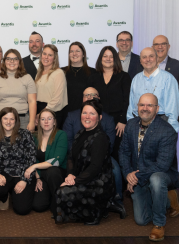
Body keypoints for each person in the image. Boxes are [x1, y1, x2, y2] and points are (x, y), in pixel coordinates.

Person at [119, 94, 179, 241]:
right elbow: (124, 152)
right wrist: (128, 174)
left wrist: (136, 176)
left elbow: (162, 164)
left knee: (156, 179)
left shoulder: (167, 131)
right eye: (142, 105)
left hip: (161, 174)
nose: (145, 109)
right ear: (137, 107)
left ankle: (159, 224)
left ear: (157, 108)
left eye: (149, 105)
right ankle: (166, 200)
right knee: (142, 220)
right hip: (137, 174)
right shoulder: (131, 125)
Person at [62, 88, 126, 218]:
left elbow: (109, 145)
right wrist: (76, 160)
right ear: (82, 98)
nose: (90, 97)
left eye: (94, 95)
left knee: (115, 168)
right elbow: (68, 140)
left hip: (101, 155)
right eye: (87, 95)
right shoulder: (72, 116)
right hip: (77, 154)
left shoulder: (107, 119)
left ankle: (115, 199)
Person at [55, 99, 115, 225]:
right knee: (60, 190)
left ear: (99, 117)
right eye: (84, 113)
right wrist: (70, 175)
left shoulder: (100, 138)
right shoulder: (80, 133)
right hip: (82, 179)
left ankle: (95, 213)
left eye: (92, 114)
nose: (87, 117)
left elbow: (94, 168)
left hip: (97, 184)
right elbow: (70, 157)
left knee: (62, 192)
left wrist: (74, 182)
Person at [0, 107, 37, 215]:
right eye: (5, 118)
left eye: (12, 119)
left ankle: (14, 193)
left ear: (16, 121)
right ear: (0, 120)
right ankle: (4, 197)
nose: (8, 122)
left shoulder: (25, 135)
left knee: (22, 210)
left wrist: (24, 180)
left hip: (23, 173)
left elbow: (32, 159)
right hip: (4, 174)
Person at [89, 46, 131, 161]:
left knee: (116, 153)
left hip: (118, 123)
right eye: (105, 56)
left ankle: (118, 179)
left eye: (111, 56)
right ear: (100, 58)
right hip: (99, 121)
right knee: (98, 152)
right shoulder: (94, 77)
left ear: (116, 59)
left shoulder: (124, 76)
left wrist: (123, 121)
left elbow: (127, 100)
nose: (108, 59)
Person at [24, 109, 67, 216]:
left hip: (57, 173)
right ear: (38, 122)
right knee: (38, 206)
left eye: (49, 118)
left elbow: (57, 160)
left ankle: (60, 203)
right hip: (41, 174)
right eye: (43, 119)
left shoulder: (61, 135)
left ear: (55, 121)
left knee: (52, 172)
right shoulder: (34, 137)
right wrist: (37, 178)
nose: (46, 121)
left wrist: (34, 166)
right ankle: (50, 195)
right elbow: (31, 159)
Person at [127, 47, 179, 132]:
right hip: (138, 124)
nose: (148, 59)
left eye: (151, 56)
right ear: (140, 61)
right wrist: (131, 126)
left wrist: (170, 133)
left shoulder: (168, 79)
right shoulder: (136, 79)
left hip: (161, 124)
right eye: (144, 57)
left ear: (157, 58)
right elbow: (131, 107)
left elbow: (173, 112)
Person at [0, 49, 37, 132]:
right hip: (0, 120)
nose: (12, 61)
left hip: (22, 120)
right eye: (9, 59)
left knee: (22, 145)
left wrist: (32, 122)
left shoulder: (27, 78)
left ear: (19, 61)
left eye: (15, 59)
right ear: (4, 61)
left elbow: (32, 101)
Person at [152, 35, 179, 122]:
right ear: (152, 47)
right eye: (156, 44)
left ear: (168, 46)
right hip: (146, 116)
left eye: (163, 44)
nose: (160, 47)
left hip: (169, 116)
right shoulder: (144, 65)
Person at [34, 44, 67, 129]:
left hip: (52, 112)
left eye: (50, 55)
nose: (46, 57)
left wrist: (42, 113)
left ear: (54, 58)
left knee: (51, 140)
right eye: (44, 54)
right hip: (39, 110)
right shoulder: (39, 72)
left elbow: (57, 99)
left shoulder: (58, 73)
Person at [61, 41, 97, 113]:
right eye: (72, 51)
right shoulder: (61, 72)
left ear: (83, 54)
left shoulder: (93, 72)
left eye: (78, 51)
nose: (74, 53)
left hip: (85, 113)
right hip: (64, 114)